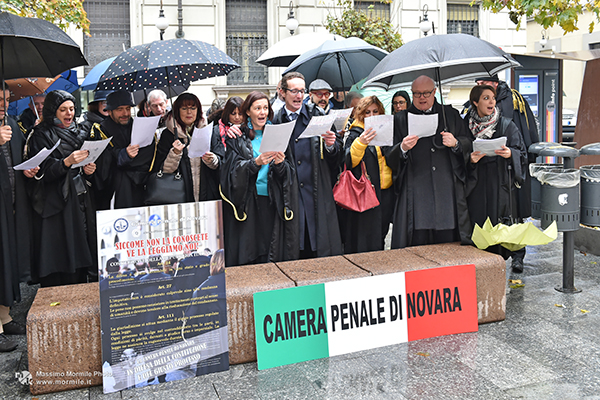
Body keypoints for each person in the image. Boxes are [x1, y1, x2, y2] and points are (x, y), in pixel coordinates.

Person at [386, 75, 473, 248]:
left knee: (448, 241)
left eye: (426, 93)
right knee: (416, 240)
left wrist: (456, 143)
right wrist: (402, 148)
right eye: (417, 94)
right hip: (415, 188)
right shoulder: (401, 119)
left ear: (435, 92)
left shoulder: (450, 115)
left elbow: (469, 142)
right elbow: (389, 154)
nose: (422, 98)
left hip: (445, 188)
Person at [26, 90, 98, 287]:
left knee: (82, 247)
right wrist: (66, 162)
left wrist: (89, 170)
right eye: (63, 109)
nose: (69, 114)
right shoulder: (41, 135)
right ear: (52, 111)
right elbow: (41, 173)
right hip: (57, 203)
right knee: (62, 253)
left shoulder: (81, 131)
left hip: (81, 198)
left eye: (72, 109)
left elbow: (87, 167)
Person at [221, 91, 299, 266]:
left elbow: (289, 172)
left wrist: (280, 164)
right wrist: (255, 163)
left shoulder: (278, 133)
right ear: (248, 112)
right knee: (253, 250)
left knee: (272, 249)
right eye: (258, 108)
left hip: (273, 201)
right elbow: (230, 172)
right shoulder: (237, 136)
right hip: (249, 203)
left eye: (265, 108)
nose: (262, 112)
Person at [273, 72, 343, 259]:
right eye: (294, 91)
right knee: (296, 247)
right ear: (282, 92)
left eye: (301, 91)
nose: (298, 96)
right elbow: (273, 166)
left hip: (317, 192)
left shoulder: (319, 116)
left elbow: (335, 157)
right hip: (291, 195)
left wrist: (330, 145)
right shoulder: (275, 120)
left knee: (320, 246)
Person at [474, 74, 539, 272]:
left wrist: (516, 156)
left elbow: (528, 134)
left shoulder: (515, 100)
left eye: (484, 84)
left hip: (509, 169)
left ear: (495, 83)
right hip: (485, 171)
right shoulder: (473, 105)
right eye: (478, 85)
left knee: (514, 213)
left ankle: (518, 256)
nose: (481, 87)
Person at [466, 85, 527, 258]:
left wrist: (510, 154)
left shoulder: (506, 124)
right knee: (478, 226)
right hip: (476, 185)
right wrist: (470, 160)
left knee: (498, 225)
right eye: (486, 98)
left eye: (493, 97)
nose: (491, 101)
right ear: (475, 102)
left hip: (499, 183)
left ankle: (501, 262)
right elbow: (459, 154)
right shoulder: (465, 125)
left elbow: (521, 152)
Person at [0, 85, 36, 352]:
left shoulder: (10, 123)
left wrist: (28, 169)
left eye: (6, 100)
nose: (4, 104)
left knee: (7, 262)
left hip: (11, 203)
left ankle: (4, 317)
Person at [343, 95, 394, 253]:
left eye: (375, 112)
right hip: (366, 193)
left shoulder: (385, 130)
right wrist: (361, 143)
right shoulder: (355, 133)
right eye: (367, 112)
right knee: (367, 237)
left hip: (386, 191)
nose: (372, 116)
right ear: (360, 114)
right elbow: (350, 161)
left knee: (382, 233)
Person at [91, 90, 156, 209]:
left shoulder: (140, 126)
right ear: (110, 111)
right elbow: (102, 161)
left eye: (127, 108)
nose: (125, 113)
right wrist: (123, 155)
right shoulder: (101, 130)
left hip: (141, 185)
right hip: (115, 188)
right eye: (119, 109)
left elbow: (148, 154)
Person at [154, 92, 224, 202]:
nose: (189, 112)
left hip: (207, 194)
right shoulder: (168, 135)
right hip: (179, 195)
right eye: (184, 108)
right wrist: (175, 154)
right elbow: (162, 170)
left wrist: (212, 160)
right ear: (177, 110)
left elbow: (220, 161)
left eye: (193, 108)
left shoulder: (208, 131)